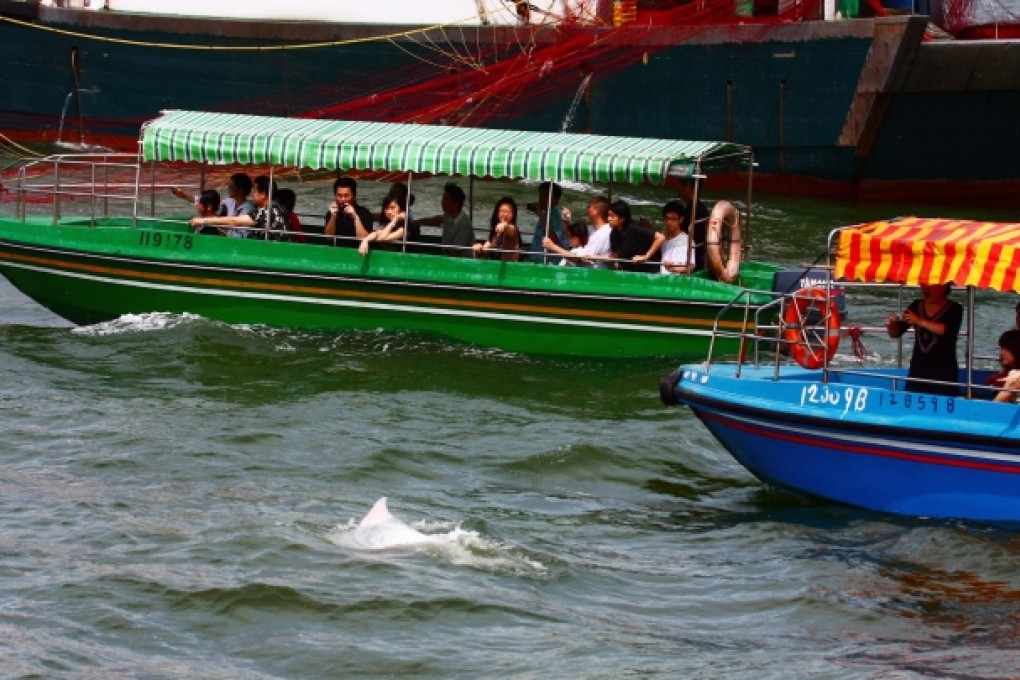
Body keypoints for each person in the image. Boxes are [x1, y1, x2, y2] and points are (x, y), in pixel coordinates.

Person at [885, 282, 963, 396]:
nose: (925, 288)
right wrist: (891, 325)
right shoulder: (916, 306)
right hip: (918, 367)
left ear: (944, 286)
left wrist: (919, 321)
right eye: (923, 284)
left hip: (944, 370)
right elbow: (896, 333)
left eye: (930, 285)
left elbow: (947, 330)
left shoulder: (955, 308)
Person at [188, 175, 289, 240]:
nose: (252, 194)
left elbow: (234, 221)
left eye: (254, 191)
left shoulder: (266, 211)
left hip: (266, 252)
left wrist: (203, 221)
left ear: (263, 194)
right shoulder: (280, 208)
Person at [414, 182, 474, 256]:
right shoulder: (448, 215)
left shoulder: (464, 224)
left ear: (456, 204)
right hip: (446, 255)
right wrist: (417, 222)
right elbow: (436, 220)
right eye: (443, 198)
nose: (442, 201)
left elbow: (456, 252)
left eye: (446, 199)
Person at [608, 199, 664, 273]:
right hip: (628, 272)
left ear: (622, 219)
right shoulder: (614, 234)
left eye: (612, 216)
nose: (608, 219)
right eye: (608, 215)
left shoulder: (634, 229)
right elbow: (616, 253)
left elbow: (660, 237)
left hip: (647, 272)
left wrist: (645, 257)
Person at [358, 191, 417, 256]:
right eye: (386, 208)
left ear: (401, 209)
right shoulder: (391, 225)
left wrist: (395, 219)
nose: (389, 212)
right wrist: (365, 240)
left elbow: (381, 238)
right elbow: (377, 233)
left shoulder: (409, 226)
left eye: (392, 208)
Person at [322, 176, 374, 247]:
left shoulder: (364, 213)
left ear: (354, 196)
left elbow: (365, 239)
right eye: (339, 196)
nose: (343, 199)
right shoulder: (331, 212)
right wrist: (333, 217)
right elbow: (328, 237)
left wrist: (355, 217)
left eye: (346, 196)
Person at [527, 181, 567, 264]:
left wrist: (541, 215)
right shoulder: (546, 214)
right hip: (537, 261)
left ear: (556, 199)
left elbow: (554, 239)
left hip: (549, 263)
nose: (541, 199)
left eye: (545, 196)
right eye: (540, 195)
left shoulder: (557, 216)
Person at [676, 178, 710, 272]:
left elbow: (678, 234)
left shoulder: (694, 210)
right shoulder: (699, 207)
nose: (678, 188)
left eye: (681, 185)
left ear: (690, 186)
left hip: (693, 256)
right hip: (699, 255)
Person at [474, 196, 520, 261]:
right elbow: (485, 249)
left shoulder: (514, 229)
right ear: (497, 214)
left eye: (509, 212)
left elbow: (509, 229)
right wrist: (479, 248)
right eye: (503, 211)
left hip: (509, 267)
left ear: (513, 215)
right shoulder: (494, 234)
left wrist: (504, 226)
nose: (506, 214)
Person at [659, 199, 692, 274]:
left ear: (681, 220)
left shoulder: (687, 241)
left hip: (677, 279)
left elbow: (691, 266)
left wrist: (673, 268)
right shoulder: (662, 238)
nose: (669, 222)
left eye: (673, 219)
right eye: (667, 219)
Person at [987, 329, 1020, 401]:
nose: (1002, 353)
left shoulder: (1016, 376)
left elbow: (997, 403)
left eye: (1007, 349)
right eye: (1002, 348)